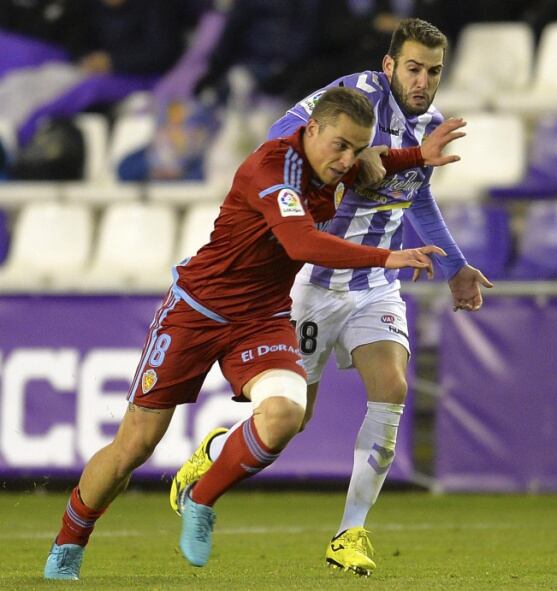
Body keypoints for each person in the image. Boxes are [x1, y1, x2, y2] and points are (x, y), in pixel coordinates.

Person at [43, 86, 466, 581]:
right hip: (196, 310)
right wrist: (387, 256)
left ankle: (201, 498)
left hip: (261, 318)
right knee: (134, 446)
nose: (349, 159)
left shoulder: (336, 162)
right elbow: (300, 240)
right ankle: (68, 544)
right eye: (341, 146)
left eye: (357, 148)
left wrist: (417, 156)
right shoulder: (272, 168)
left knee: (287, 413)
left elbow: (376, 161)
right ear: (311, 130)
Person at [170, 17, 491, 577]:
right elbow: (278, 140)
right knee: (293, 420)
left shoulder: (430, 126)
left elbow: (417, 203)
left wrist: (458, 267)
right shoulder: (354, 99)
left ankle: (350, 533)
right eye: (412, 68)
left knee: (391, 388)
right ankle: (216, 456)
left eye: (433, 72)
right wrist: (352, 162)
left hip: (377, 284)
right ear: (390, 65)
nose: (422, 81)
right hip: (315, 279)